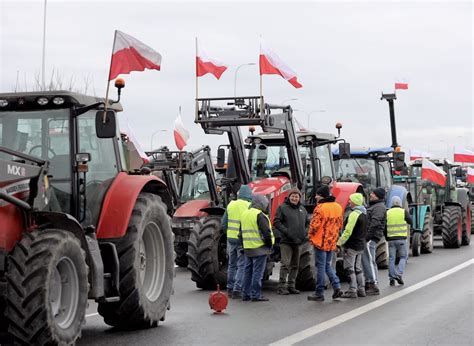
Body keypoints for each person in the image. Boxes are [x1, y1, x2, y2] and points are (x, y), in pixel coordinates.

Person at [307, 185, 343, 301]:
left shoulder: (320, 208)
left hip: (320, 242)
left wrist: (310, 236)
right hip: (331, 241)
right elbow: (340, 225)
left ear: (321, 195)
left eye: (317, 194)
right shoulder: (338, 207)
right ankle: (337, 286)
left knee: (321, 267)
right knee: (327, 265)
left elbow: (314, 226)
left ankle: (319, 292)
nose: (316, 196)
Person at [274, 188, 308, 295]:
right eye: (292, 196)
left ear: (299, 198)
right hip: (286, 242)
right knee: (285, 264)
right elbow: (276, 222)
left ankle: (291, 285)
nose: (294, 198)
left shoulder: (303, 209)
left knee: (295, 265)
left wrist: (305, 233)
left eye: (296, 196)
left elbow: (308, 223)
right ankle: (281, 286)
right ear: (289, 197)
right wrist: (287, 232)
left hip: (299, 242)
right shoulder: (282, 208)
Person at [240, 194, 274, 302]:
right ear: (261, 204)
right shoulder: (260, 215)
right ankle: (256, 295)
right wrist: (269, 245)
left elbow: (240, 233)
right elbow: (267, 233)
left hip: (248, 248)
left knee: (247, 272)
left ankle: (245, 294)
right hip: (259, 248)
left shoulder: (244, 214)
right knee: (257, 273)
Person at [222, 185, 252, 298]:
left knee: (231, 264)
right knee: (241, 265)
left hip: (231, 239)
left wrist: (229, 233)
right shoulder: (249, 206)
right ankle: (237, 288)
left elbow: (224, 223)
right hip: (242, 240)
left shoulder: (231, 204)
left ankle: (229, 287)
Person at [337, 193, 368, 298]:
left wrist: (339, 243)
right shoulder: (364, 213)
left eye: (350, 200)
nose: (349, 202)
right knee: (358, 268)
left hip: (351, 246)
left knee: (349, 268)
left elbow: (347, 231)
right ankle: (361, 289)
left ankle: (352, 290)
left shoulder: (354, 214)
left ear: (354, 202)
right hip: (360, 245)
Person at [362, 187, 386, 295]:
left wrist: (367, 236)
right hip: (370, 237)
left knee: (370, 260)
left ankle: (373, 284)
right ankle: (369, 282)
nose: (370, 194)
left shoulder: (379, 207)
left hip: (371, 238)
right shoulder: (375, 206)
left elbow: (375, 222)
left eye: (373, 193)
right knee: (368, 260)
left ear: (377, 195)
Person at [385, 196, 412, 286]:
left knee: (392, 259)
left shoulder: (387, 213)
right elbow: (410, 221)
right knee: (403, 257)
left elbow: (384, 227)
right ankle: (399, 274)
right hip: (401, 239)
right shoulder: (403, 212)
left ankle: (392, 278)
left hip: (391, 240)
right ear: (400, 203)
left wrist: (386, 237)